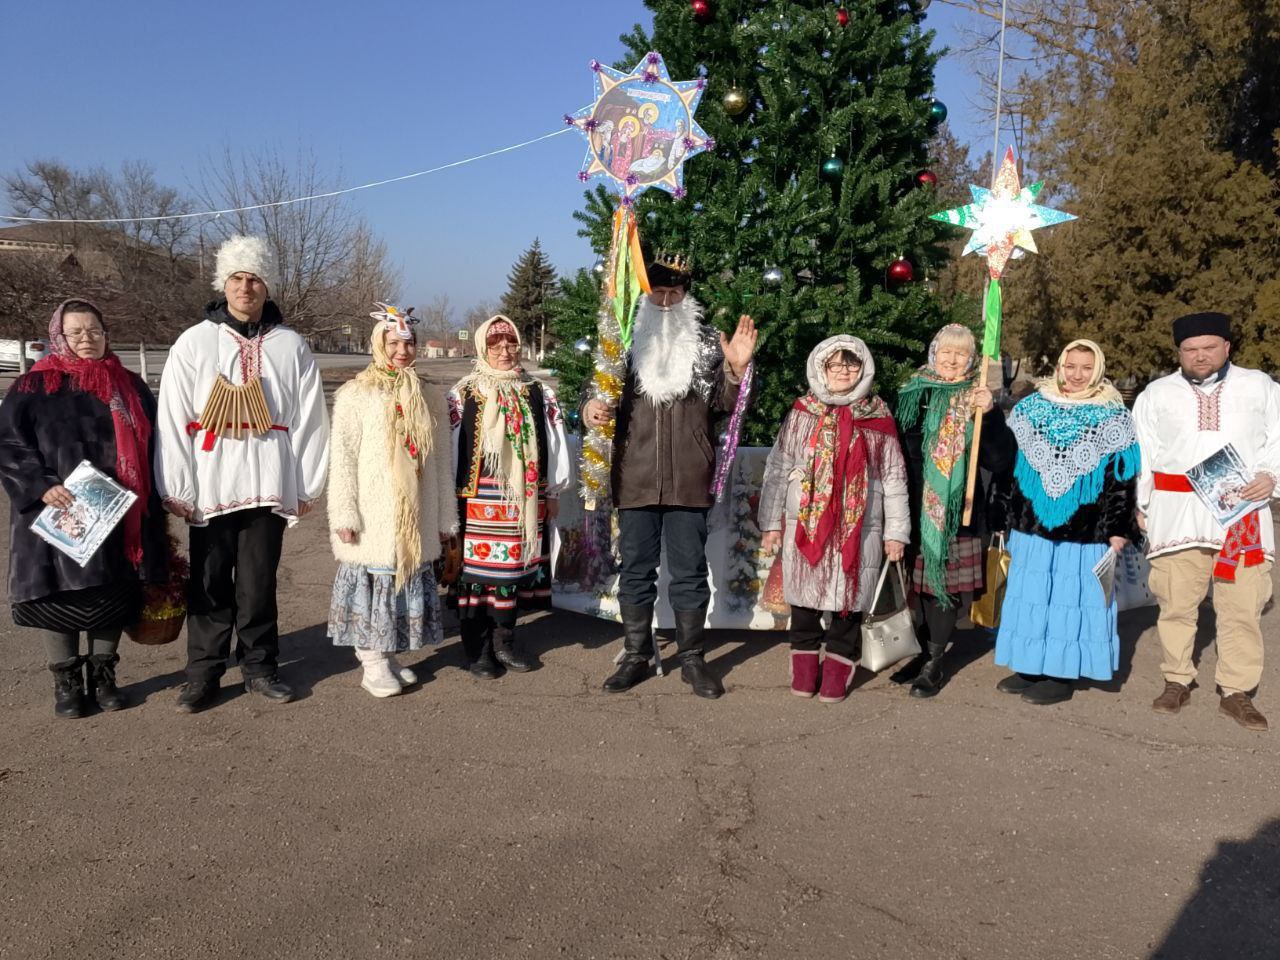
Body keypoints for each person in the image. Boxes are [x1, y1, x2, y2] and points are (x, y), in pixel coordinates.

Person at [156, 235, 329, 713]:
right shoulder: (194, 342)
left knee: (257, 582)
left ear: (266, 286)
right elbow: (171, 416)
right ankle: (204, 674)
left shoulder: (290, 345)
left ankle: (260, 666)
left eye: (254, 278)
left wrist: (307, 482)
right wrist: (177, 484)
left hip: (268, 480)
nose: (246, 286)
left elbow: (311, 417)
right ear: (224, 284)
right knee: (209, 582)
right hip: (212, 479)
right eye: (237, 278)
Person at [584, 252, 758, 699]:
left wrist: (736, 369)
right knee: (637, 570)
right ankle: (636, 655)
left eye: (673, 294)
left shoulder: (703, 347)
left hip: (688, 479)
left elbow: (724, 403)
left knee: (689, 573)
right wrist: (591, 409)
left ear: (685, 298)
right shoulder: (623, 345)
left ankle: (692, 659)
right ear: (645, 298)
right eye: (656, 293)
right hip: (635, 478)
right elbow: (594, 397)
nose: (664, 302)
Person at [0, 300, 167, 718]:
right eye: (75, 332)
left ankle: (105, 676)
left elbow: (156, 446)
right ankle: (67, 683)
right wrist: (41, 485)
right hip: (58, 509)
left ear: (106, 333)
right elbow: (8, 444)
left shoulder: (129, 385)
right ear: (59, 336)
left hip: (116, 511)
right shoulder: (33, 387)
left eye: (93, 330)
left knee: (111, 592)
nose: (86, 339)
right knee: (59, 597)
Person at [1134, 312, 1280, 731]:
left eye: (1209, 347)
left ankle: (1236, 691)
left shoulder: (1260, 387)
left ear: (1227, 347)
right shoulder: (1156, 394)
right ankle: (1177, 678)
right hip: (1177, 514)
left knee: (1242, 608)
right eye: (1190, 349)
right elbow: (1142, 453)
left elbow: (1277, 437)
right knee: (1176, 603)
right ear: (1179, 351)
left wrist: (1271, 475)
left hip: (1241, 515)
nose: (1199, 355)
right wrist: (1140, 505)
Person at [758, 336, 910, 703]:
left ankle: (838, 673)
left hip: (859, 530)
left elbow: (893, 477)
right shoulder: (801, 413)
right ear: (821, 368)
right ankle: (806, 670)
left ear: (864, 369)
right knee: (805, 604)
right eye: (835, 364)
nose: (843, 371)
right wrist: (772, 523)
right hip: (807, 527)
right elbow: (778, 468)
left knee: (849, 604)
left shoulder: (878, 416)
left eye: (851, 364)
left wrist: (897, 533)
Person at [993, 340, 1141, 704]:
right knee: (1031, 596)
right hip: (1032, 526)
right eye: (1070, 366)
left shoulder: (1113, 415)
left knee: (1070, 600)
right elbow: (1009, 466)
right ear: (1059, 366)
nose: (1076, 375)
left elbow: (1122, 479)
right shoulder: (1031, 407)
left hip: (1086, 531)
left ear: (1099, 370)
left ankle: (1061, 673)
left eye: (1085, 368)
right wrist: (1005, 513)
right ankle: (1030, 665)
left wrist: (1118, 528)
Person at [326, 304, 456, 697]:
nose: (403, 350)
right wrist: (345, 512)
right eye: (394, 342)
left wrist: (444, 514)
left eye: (409, 342)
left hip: (416, 509)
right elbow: (344, 456)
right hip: (374, 511)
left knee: (401, 585)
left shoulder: (429, 395)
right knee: (374, 583)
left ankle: (388, 654)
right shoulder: (356, 392)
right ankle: (372, 662)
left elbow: (439, 461)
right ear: (378, 344)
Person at [893, 323, 1015, 698]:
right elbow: (894, 450)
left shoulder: (977, 400)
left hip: (957, 513)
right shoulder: (913, 393)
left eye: (960, 353)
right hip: (915, 507)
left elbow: (1000, 460)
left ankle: (933, 662)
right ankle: (923, 649)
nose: (951, 358)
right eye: (946, 350)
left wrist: (990, 414)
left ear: (971, 360)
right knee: (919, 588)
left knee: (942, 588)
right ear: (933, 353)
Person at [447, 316, 571, 679]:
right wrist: (447, 504)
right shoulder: (463, 392)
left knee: (510, 575)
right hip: (478, 498)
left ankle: (505, 642)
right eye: (496, 344)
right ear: (483, 348)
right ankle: (477, 649)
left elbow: (555, 441)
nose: (504, 351)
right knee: (476, 576)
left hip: (522, 499)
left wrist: (554, 490)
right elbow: (450, 449)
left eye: (511, 344)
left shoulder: (538, 391)